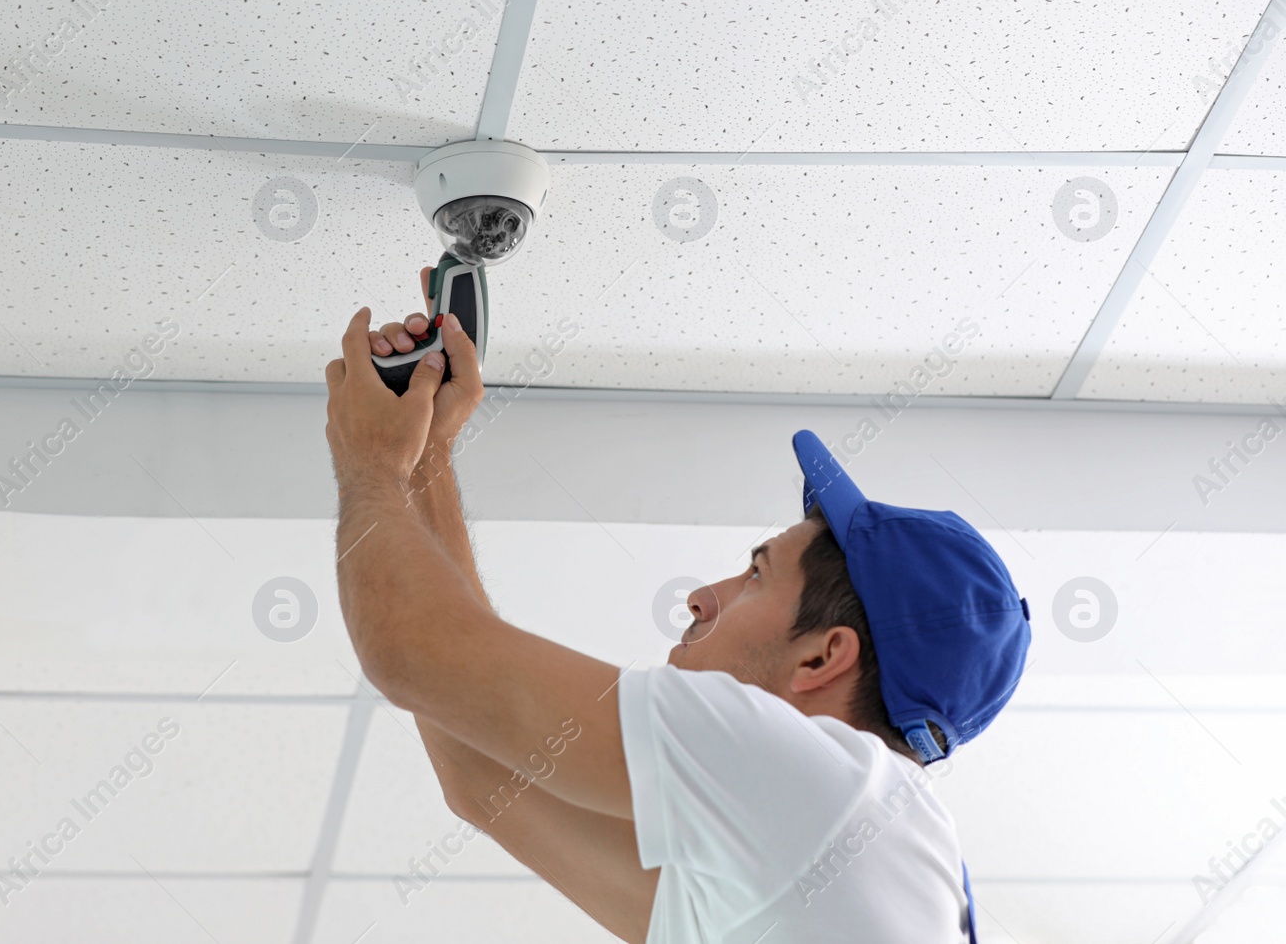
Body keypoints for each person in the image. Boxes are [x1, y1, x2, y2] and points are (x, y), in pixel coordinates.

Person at [324, 276, 1032, 943]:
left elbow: (411, 650)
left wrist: (372, 463)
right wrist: (424, 456)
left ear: (824, 655)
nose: (702, 596)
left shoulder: (829, 787)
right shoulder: (826, 841)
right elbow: (484, 774)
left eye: (756, 574)